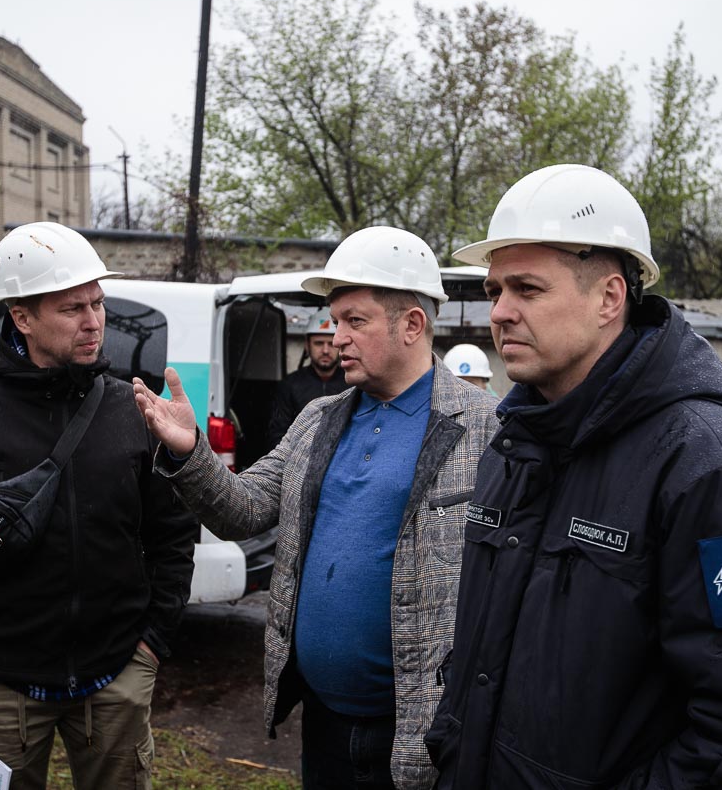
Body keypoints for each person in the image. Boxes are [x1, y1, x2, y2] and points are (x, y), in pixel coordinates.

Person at [426, 164, 722, 788]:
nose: (499, 312)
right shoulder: (514, 446)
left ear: (609, 298)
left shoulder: (715, 471)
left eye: (527, 289)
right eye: (495, 289)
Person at [134, 226, 499, 790]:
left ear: (412, 325)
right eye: (334, 320)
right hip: (323, 720)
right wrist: (190, 452)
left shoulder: (486, 429)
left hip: (423, 731)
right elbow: (242, 510)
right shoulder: (318, 419)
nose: (337, 337)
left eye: (355, 321)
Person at [0, 222, 197, 790]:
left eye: (97, 304)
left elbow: (174, 533)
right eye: (71, 308)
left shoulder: (132, 411)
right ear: (22, 317)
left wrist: (151, 644)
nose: (93, 321)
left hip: (115, 677)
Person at [265, 309, 345, 450]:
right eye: (318, 343)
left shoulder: (352, 384)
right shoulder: (289, 385)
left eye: (331, 343)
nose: (325, 350)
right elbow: (277, 435)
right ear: (307, 346)